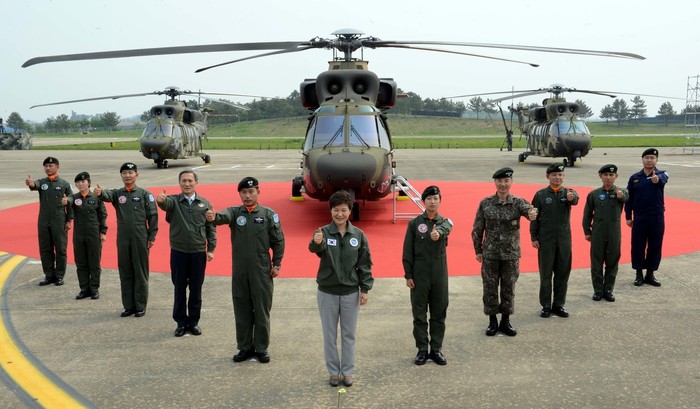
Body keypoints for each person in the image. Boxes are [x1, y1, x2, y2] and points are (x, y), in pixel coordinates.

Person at [206, 176, 285, 364]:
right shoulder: (235, 213)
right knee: (241, 309)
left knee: (261, 310)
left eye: (251, 192)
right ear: (240, 194)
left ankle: (261, 348)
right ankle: (245, 347)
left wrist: (277, 264)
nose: (248, 196)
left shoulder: (268, 215)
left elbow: (278, 241)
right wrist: (213, 216)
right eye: (244, 192)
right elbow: (222, 216)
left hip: (262, 271)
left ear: (258, 192)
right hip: (240, 272)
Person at [309, 190, 374, 387]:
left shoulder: (359, 235)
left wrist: (365, 289)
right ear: (330, 211)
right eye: (336, 210)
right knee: (329, 335)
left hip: (350, 292)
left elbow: (365, 264)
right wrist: (316, 243)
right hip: (327, 292)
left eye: (343, 210)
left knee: (349, 334)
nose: (339, 214)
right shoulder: (323, 232)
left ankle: (347, 371)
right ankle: (333, 372)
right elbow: (315, 248)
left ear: (350, 210)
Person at [472, 168, 537, 337]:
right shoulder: (485, 203)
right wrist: (478, 250)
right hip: (490, 255)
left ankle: (505, 321)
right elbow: (477, 229)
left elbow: (528, 210)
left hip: (511, 255)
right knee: (490, 288)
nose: (503, 184)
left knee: (509, 288)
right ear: (495, 182)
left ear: (511, 182)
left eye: (506, 181)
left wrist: (532, 213)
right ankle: (492, 321)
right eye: (499, 181)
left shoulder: (517, 202)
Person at [156, 170, 216, 337]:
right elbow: (164, 204)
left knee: (196, 289)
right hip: (179, 252)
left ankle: (194, 322)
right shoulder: (174, 201)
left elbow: (211, 227)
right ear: (179, 183)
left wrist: (211, 249)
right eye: (184, 181)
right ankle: (181, 322)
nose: (187, 184)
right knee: (179, 288)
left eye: (190, 181)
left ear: (196, 183)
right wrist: (160, 200)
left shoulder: (204, 203)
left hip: (198, 252)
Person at [94, 162, 158, 317]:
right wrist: (100, 192)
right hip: (123, 237)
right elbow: (107, 195)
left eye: (130, 172)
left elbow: (153, 216)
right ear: (121, 176)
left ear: (137, 174)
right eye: (124, 173)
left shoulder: (144, 194)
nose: (127, 175)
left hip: (140, 235)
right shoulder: (118, 194)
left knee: (140, 271)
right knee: (125, 271)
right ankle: (128, 306)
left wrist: (152, 236)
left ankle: (140, 305)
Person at [402, 185, 453, 366]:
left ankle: (436, 349)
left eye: (436, 198)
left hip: (439, 276)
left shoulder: (444, 222)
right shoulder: (415, 223)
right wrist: (408, 275)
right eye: (429, 199)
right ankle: (422, 349)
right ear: (424, 201)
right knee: (420, 314)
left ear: (440, 201)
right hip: (419, 276)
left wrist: (438, 233)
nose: (433, 202)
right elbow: (408, 251)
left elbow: (447, 228)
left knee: (439, 313)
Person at [530, 163, 579, 318]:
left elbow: (575, 200)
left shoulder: (569, 193)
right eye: (554, 175)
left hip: (564, 240)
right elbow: (534, 217)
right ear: (548, 176)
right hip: (546, 239)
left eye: (560, 175)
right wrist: (534, 237)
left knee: (562, 273)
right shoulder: (540, 195)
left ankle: (558, 304)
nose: (557, 177)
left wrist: (572, 198)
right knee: (545, 274)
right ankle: (545, 305)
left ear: (563, 176)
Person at [583, 164, 628, 302]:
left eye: (611, 175)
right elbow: (587, 215)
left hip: (614, 233)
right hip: (598, 233)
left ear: (616, 177)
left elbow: (626, 197)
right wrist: (587, 231)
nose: (608, 178)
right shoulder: (594, 194)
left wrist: (621, 196)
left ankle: (608, 290)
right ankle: (597, 290)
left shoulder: (621, 192)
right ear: (600, 176)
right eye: (605, 175)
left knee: (612, 262)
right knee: (596, 262)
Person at [25, 157, 73, 286]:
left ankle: (59, 276)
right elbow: (35, 185)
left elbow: (70, 203)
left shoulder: (64, 184)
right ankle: (49, 275)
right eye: (46, 166)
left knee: (61, 249)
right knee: (45, 249)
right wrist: (31, 184)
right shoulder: (42, 182)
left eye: (51, 166)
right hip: (44, 220)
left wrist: (69, 220)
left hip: (59, 220)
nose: (48, 168)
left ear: (57, 167)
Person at [625, 148, 668, 287]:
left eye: (652, 158)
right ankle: (638, 274)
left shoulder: (661, 174)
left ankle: (650, 274)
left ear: (657, 160)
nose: (649, 160)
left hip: (656, 217)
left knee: (655, 246)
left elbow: (662, 179)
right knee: (638, 246)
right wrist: (628, 216)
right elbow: (629, 198)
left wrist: (657, 180)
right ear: (642, 160)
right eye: (647, 158)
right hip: (640, 217)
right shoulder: (635, 178)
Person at [62, 171, 107, 300]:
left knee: (94, 263)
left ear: (89, 183)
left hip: (93, 233)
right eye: (78, 182)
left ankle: (94, 289)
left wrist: (103, 232)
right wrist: (66, 201)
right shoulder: (74, 198)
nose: (81, 184)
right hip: (79, 234)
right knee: (81, 262)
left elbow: (102, 216)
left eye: (83, 181)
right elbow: (69, 200)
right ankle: (84, 288)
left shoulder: (96, 198)